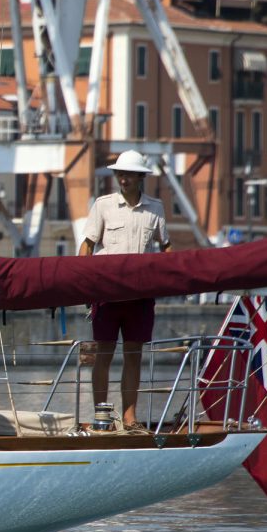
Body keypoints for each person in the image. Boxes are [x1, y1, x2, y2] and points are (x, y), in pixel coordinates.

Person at [79, 149, 171, 430]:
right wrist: (84, 286)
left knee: (134, 356)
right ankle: (102, 416)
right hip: (106, 294)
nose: (123, 178)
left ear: (141, 177)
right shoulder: (103, 205)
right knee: (103, 354)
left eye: (128, 173)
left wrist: (168, 278)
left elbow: (166, 248)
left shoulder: (156, 208)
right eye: (119, 173)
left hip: (141, 297)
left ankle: (130, 418)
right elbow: (87, 245)